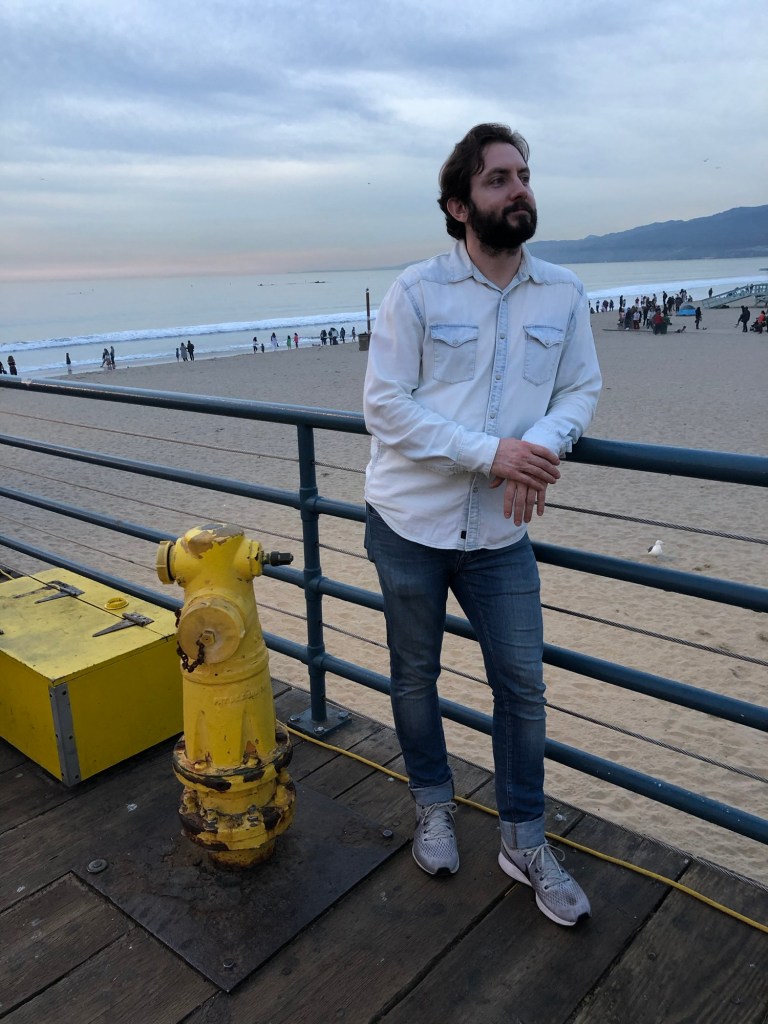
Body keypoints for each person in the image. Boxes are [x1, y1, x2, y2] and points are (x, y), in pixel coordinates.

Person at [363, 123, 601, 927]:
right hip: (409, 524)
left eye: (524, 174)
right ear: (460, 205)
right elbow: (384, 405)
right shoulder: (417, 291)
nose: (519, 188)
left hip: (500, 535)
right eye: (498, 179)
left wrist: (539, 448)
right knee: (413, 676)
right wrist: (489, 453)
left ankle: (523, 841)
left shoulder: (563, 293)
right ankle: (433, 806)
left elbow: (580, 388)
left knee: (523, 687)